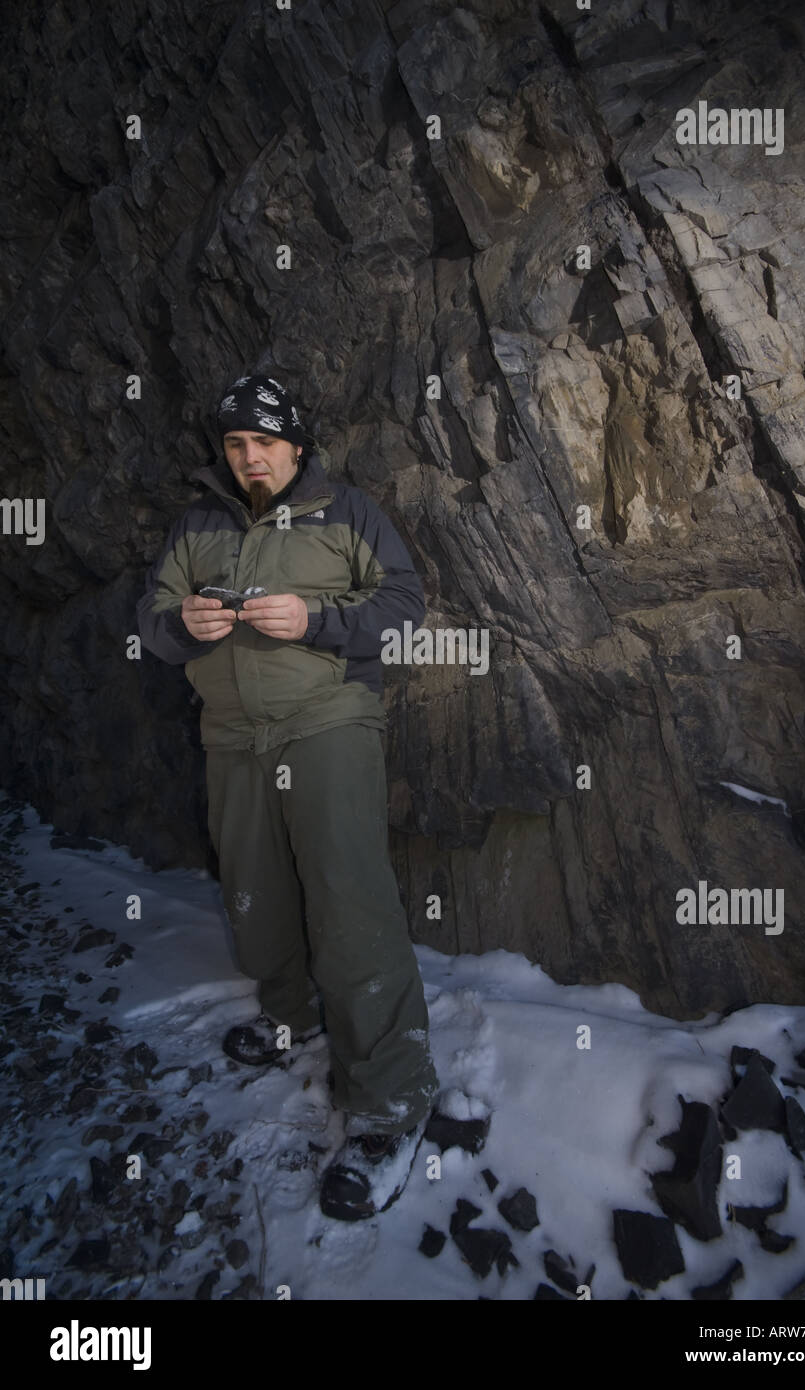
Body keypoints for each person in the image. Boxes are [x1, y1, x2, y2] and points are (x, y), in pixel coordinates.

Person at [136, 372, 439, 1221]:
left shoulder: (348, 512)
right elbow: (151, 620)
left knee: (348, 900)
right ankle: (291, 1016)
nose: (249, 458)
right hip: (231, 737)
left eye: (264, 443)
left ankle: (389, 1103)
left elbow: (404, 602)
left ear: (296, 447)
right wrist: (181, 626)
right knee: (256, 897)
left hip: (328, 721)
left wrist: (313, 620)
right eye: (235, 445)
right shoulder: (198, 523)